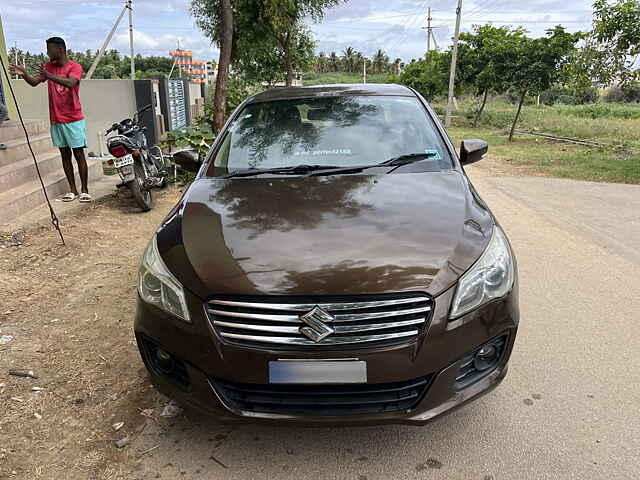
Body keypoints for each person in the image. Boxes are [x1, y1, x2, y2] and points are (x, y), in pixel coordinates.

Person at [10, 37, 91, 202]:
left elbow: (70, 83)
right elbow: (34, 82)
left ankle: (84, 189)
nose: (47, 53)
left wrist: (48, 75)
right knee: (64, 154)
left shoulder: (74, 67)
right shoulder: (48, 67)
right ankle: (72, 190)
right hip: (56, 119)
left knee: (78, 154)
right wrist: (24, 74)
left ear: (60, 49)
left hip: (73, 118)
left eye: (50, 49)